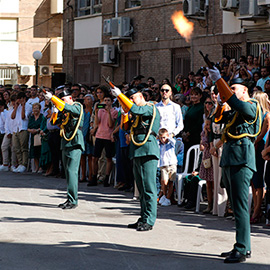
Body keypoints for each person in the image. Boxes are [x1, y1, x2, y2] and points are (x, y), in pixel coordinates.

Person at [208, 68, 262, 263]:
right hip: (230, 159)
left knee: (239, 207)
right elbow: (217, 119)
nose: (230, 91)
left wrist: (220, 81)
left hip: (242, 159)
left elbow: (238, 105)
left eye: (234, 88)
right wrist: (221, 100)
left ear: (245, 91)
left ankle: (241, 247)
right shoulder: (233, 108)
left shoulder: (252, 105)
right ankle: (243, 246)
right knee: (236, 206)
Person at [111, 87, 160, 231]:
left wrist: (120, 95)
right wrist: (124, 112)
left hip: (147, 149)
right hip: (137, 150)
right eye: (129, 98)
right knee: (141, 187)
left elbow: (137, 110)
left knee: (149, 188)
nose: (131, 101)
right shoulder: (135, 112)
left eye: (133, 98)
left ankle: (149, 220)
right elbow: (125, 126)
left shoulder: (149, 107)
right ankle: (143, 217)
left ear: (141, 96)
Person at [44, 88, 84, 209]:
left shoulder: (77, 107)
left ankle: (73, 200)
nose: (62, 102)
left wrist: (53, 98)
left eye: (63, 99)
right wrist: (55, 110)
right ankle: (70, 198)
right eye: (60, 100)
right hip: (66, 142)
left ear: (70, 98)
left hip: (75, 142)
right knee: (68, 172)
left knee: (72, 172)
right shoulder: (64, 110)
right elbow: (54, 123)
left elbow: (70, 109)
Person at [88, 94, 118, 187]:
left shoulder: (114, 112)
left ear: (112, 102)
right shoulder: (100, 110)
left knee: (108, 157)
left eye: (108, 100)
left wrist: (109, 112)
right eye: (105, 100)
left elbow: (110, 124)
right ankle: (94, 177)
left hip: (108, 137)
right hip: (99, 136)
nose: (106, 102)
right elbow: (97, 123)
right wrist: (96, 112)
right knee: (95, 157)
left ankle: (106, 178)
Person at [250, 91, 270, 223]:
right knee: (253, 180)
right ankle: (254, 207)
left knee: (259, 181)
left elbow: (262, 135)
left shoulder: (267, 116)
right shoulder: (255, 115)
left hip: (260, 148)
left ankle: (257, 210)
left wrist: (252, 142)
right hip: (253, 147)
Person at [158, 128, 177, 207]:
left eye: (164, 137)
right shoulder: (159, 144)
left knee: (171, 182)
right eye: (161, 137)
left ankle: (168, 198)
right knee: (164, 181)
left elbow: (174, 142)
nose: (163, 139)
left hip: (171, 164)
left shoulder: (170, 143)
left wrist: (168, 137)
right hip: (163, 165)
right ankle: (165, 196)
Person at [199, 118, 214, 213]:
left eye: (209, 124)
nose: (207, 126)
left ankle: (215, 205)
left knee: (214, 183)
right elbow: (202, 145)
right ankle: (209, 204)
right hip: (206, 157)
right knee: (208, 183)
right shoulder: (204, 133)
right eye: (206, 124)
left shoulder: (213, 135)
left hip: (213, 156)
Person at [27, 103, 45, 173]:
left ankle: (41, 167)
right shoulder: (31, 117)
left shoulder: (42, 117)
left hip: (39, 136)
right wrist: (31, 130)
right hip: (33, 136)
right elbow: (28, 127)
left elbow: (43, 125)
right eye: (34, 108)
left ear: (40, 109)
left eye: (37, 108)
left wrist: (37, 130)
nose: (35, 110)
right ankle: (36, 167)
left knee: (40, 151)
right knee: (34, 153)